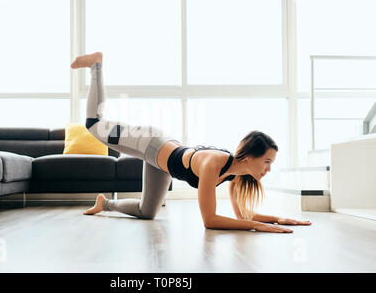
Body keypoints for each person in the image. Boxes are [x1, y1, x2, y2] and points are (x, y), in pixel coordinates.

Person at [71, 52, 311, 233]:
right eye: (267, 161)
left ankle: (105, 204)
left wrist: (276, 219)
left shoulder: (236, 175)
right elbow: (210, 221)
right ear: (250, 157)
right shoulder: (213, 164)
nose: (269, 169)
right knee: (94, 125)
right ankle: (96, 65)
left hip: (161, 162)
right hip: (150, 142)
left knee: (147, 213)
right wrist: (258, 227)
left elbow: (243, 216)